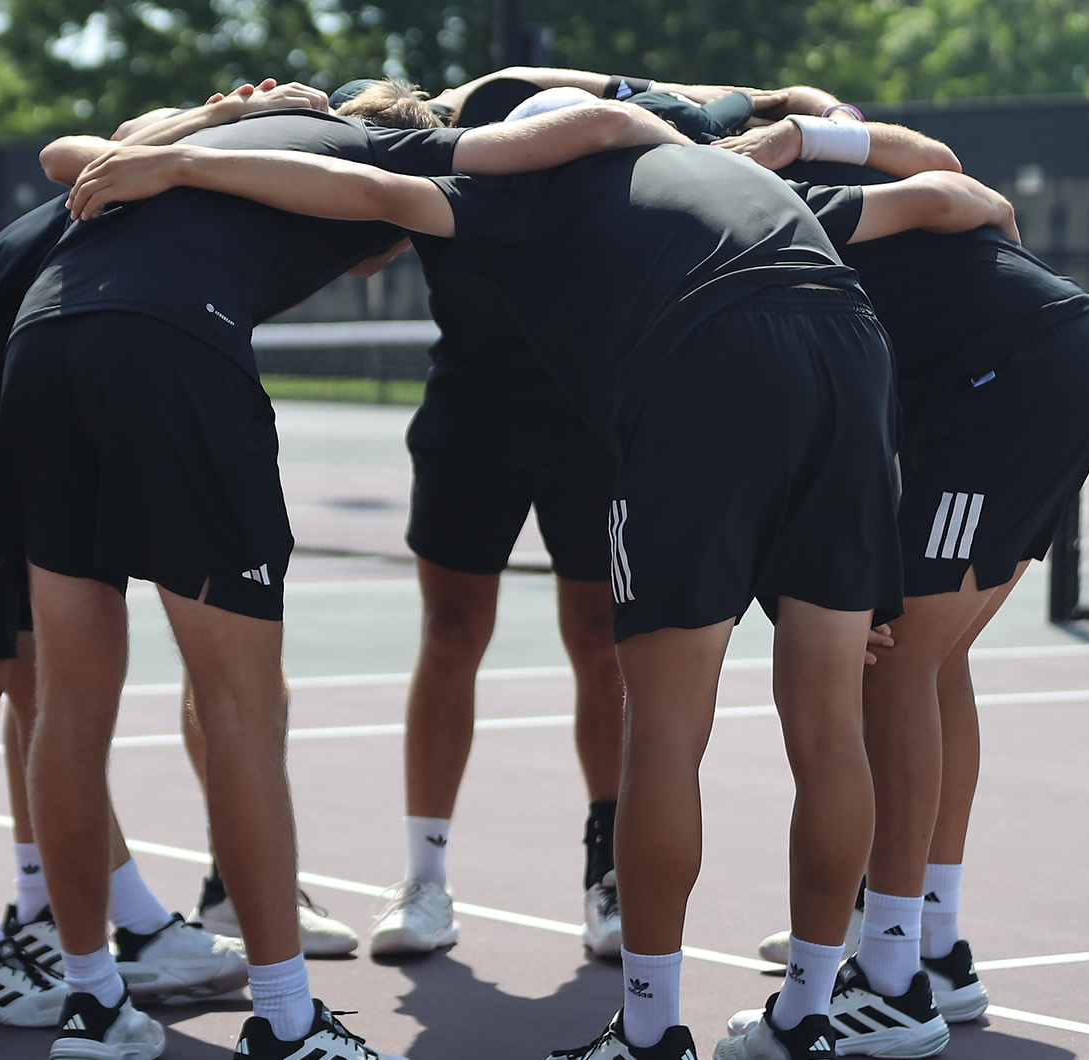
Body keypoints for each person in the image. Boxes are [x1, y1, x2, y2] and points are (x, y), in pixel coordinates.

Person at [66, 115, 1014, 1060]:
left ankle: (648, 1034)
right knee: (828, 724)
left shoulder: (526, 194)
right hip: (851, 348)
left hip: (710, 352)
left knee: (668, 728)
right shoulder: (706, 169)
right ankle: (809, 1016)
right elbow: (950, 182)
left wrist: (181, 160)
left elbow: (370, 192)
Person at [0, 93, 693, 1060]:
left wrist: (188, 140)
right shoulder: (388, 146)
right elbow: (595, 128)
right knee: (240, 706)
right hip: (168, 346)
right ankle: (284, 1021)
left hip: (42, 338)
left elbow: (66, 153)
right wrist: (707, 143)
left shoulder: (221, 135)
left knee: (67, 708)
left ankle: (93, 1005)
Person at [0, 83, 338, 1028]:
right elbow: (85, 148)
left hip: (32, 439)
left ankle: (107, 919)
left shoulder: (193, 196)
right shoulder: (152, 175)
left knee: (48, 698)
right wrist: (209, 121)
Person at [714, 114, 1089, 1058]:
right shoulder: (806, 210)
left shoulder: (785, 217)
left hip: (1016, 382)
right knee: (935, 662)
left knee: (892, 669)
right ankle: (935, 945)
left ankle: (893, 981)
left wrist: (782, 139)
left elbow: (951, 191)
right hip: (1055, 365)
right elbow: (952, 181)